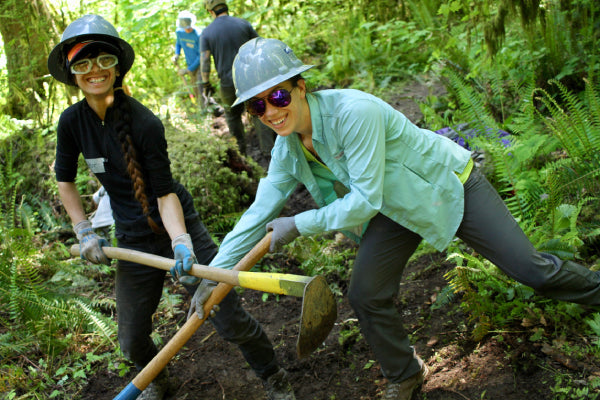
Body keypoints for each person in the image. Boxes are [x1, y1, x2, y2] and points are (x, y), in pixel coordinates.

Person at [189, 37, 600, 400]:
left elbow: (365, 198)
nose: (270, 112)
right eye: (257, 106)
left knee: (532, 270)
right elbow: (258, 213)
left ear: (301, 87)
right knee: (366, 293)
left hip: (445, 187)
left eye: (278, 97)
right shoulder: (287, 150)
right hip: (394, 206)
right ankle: (405, 372)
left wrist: (300, 224)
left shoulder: (353, 112)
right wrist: (214, 276)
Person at [47, 16, 295, 400]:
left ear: (117, 67)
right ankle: (159, 380)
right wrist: (83, 229)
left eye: (104, 61)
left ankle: (275, 376)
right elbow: (64, 180)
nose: (94, 71)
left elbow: (165, 195)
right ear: (71, 71)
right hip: (131, 237)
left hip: (179, 225)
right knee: (130, 339)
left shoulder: (145, 123)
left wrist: (182, 241)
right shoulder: (71, 123)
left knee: (228, 317)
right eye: (82, 63)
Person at [199, 0, 275, 155]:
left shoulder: (207, 33)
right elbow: (260, 46)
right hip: (252, 77)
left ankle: (241, 152)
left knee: (232, 116)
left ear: (211, 12)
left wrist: (205, 82)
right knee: (259, 109)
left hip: (227, 82)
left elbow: (205, 60)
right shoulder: (243, 24)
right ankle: (269, 151)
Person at [172, 11, 202, 101]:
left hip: (201, 65)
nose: (187, 29)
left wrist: (188, 70)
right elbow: (178, 44)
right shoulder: (179, 32)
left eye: (189, 27)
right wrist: (176, 54)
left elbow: (201, 56)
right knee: (194, 87)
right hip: (190, 62)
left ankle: (207, 108)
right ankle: (201, 109)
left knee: (200, 86)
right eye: (185, 28)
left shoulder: (198, 34)